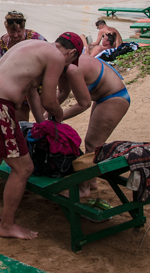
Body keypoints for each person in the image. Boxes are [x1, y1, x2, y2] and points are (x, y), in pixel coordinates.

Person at [0, 32, 83, 239]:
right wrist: (59, 116)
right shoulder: (56, 56)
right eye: (71, 63)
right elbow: (49, 100)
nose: (66, 68)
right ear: (72, 53)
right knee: (24, 168)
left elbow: (32, 93)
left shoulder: (32, 45)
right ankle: (7, 225)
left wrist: (42, 124)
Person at [54, 53, 130, 197]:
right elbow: (63, 92)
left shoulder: (72, 69)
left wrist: (59, 116)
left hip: (115, 97)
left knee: (92, 144)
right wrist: (48, 113)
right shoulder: (61, 64)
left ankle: (84, 189)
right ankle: (92, 182)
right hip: (102, 97)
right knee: (94, 144)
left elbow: (84, 104)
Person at [0, 11, 46, 121]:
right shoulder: (0, 46)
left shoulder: (36, 39)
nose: (15, 35)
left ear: (24, 28)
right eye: (12, 32)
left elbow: (50, 58)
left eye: (19, 31)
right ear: (6, 29)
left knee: (42, 118)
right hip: (16, 89)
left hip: (38, 87)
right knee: (21, 122)